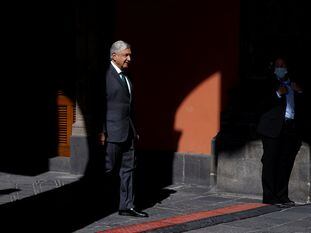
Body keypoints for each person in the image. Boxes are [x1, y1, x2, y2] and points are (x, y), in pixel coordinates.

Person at [99, 40, 148, 217]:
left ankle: (127, 206)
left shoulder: (126, 77)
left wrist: (135, 131)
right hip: (111, 133)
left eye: (130, 54)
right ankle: (94, 201)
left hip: (127, 132)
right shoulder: (105, 75)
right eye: (126, 55)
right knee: (108, 168)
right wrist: (102, 130)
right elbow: (99, 105)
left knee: (129, 169)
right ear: (114, 56)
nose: (129, 58)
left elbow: (128, 107)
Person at [257, 56, 305, 207]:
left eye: (283, 65)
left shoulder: (293, 83)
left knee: (285, 162)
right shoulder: (267, 82)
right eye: (278, 65)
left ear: (287, 67)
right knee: (270, 162)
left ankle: (282, 195)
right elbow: (260, 104)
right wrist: (277, 93)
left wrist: (300, 92)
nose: (280, 68)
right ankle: (269, 196)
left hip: (289, 128)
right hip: (271, 128)